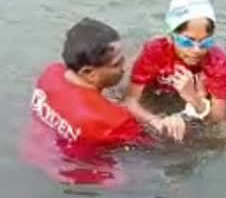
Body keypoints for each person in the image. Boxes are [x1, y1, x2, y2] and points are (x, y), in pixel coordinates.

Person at [23, 18, 153, 184]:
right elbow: (157, 147)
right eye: (117, 64)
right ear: (89, 72)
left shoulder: (50, 73)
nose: (124, 67)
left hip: (34, 152)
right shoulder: (114, 120)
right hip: (81, 173)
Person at [125, 0, 226, 141]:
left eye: (205, 42)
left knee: (221, 136)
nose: (196, 50)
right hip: (156, 89)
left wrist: (193, 98)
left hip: (196, 95)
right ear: (171, 36)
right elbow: (130, 101)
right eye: (187, 42)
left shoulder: (218, 62)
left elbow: (217, 118)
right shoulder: (155, 52)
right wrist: (156, 121)